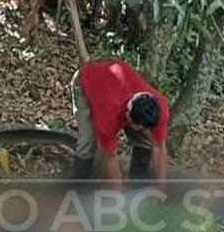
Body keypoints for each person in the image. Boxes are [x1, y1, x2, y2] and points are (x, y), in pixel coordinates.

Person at [70, 59, 169, 191]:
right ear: (128, 117)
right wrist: (119, 195)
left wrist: (162, 187)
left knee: (145, 142)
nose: (145, 131)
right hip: (85, 83)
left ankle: (136, 184)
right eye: (140, 127)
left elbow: (159, 147)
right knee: (89, 142)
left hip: (114, 84)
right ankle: (78, 188)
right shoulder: (109, 115)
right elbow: (110, 157)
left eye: (147, 128)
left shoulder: (159, 108)